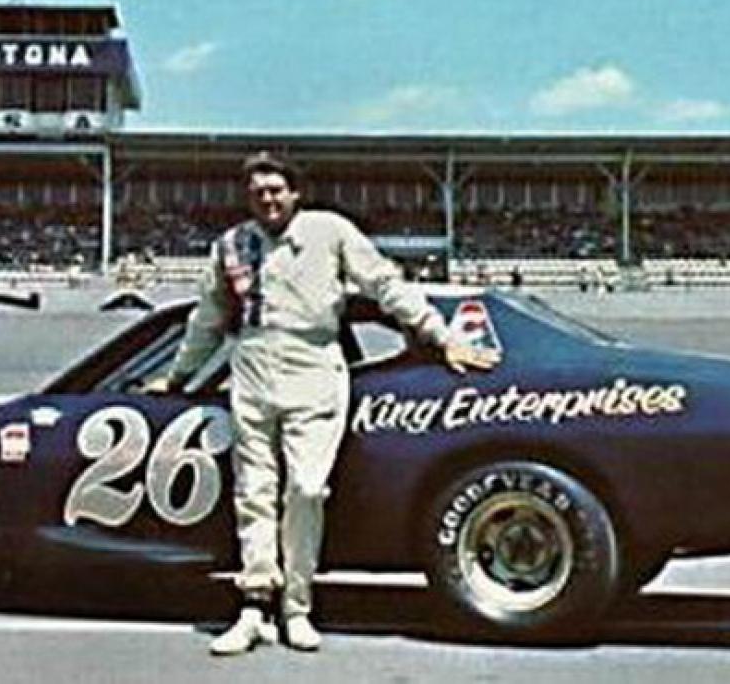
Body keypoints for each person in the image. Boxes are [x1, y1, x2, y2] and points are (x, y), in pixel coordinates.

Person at [152, 151, 500, 655]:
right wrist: (178, 377)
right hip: (252, 363)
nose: (268, 199)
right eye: (258, 192)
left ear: (295, 193)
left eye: (276, 190)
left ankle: (297, 606)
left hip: (314, 364)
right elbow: (208, 319)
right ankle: (254, 605)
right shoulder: (232, 245)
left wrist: (441, 336)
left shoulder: (329, 231)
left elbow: (384, 285)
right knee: (253, 491)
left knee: (307, 488)